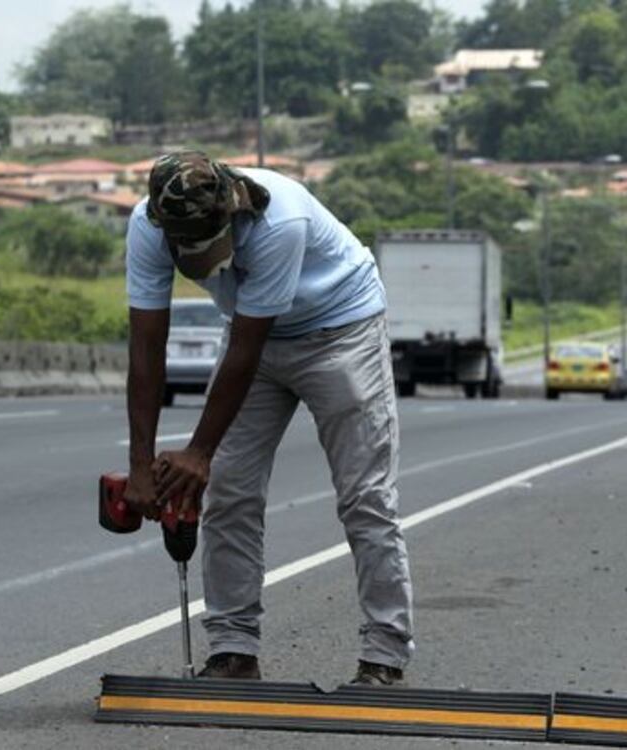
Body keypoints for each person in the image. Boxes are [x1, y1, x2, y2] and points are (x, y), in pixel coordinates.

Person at [123, 150, 413, 685]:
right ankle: (233, 652)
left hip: (340, 331)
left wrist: (197, 453)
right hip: (249, 335)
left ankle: (384, 655)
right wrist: (140, 463)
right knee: (228, 492)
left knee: (365, 497)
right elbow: (146, 350)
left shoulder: (280, 219)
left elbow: (247, 351)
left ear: (229, 217)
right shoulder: (147, 226)